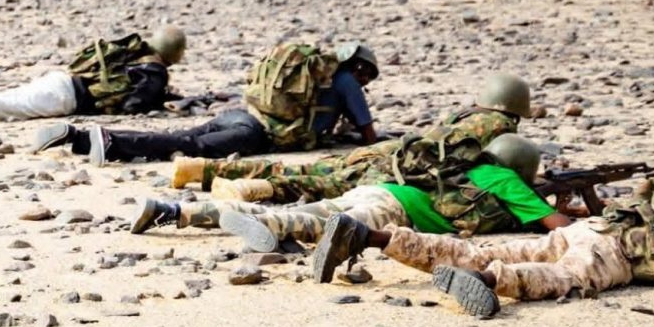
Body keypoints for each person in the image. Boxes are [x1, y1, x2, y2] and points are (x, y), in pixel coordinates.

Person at [145, 135, 568, 262]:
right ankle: (269, 229)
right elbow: (558, 228)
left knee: (299, 211)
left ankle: (175, 212)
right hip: (394, 211)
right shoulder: (508, 181)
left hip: (381, 190)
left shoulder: (469, 165)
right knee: (312, 224)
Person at [314, 183, 654, 318]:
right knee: (565, 277)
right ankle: (486, 280)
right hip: (621, 249)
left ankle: (366, 236)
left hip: (593, 227)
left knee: (476, 253)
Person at [176, 74, 531, 203]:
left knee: (311, 168)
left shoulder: (464, 115)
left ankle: (204, 168)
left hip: (390, 149)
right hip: (403, 167)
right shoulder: (501, 127)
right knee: (325, 186)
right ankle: (251, 189)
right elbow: (490, 167)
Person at [38, 40, 381, 165]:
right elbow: (368, 135)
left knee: (180, 136)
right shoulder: (347, 82)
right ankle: (111, 142)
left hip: (241, 114)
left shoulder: (321, 74)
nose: (366, 81)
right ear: (359, 67)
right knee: (188, 146)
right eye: (368, 74)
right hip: (256, 133)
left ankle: (80, 138)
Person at [0, 25, 187, 126]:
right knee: (5, 106)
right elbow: (135, 104)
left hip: (61, 80)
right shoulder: (155, 72)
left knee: (3, 100)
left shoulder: (135, 54)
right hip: (67, 97)